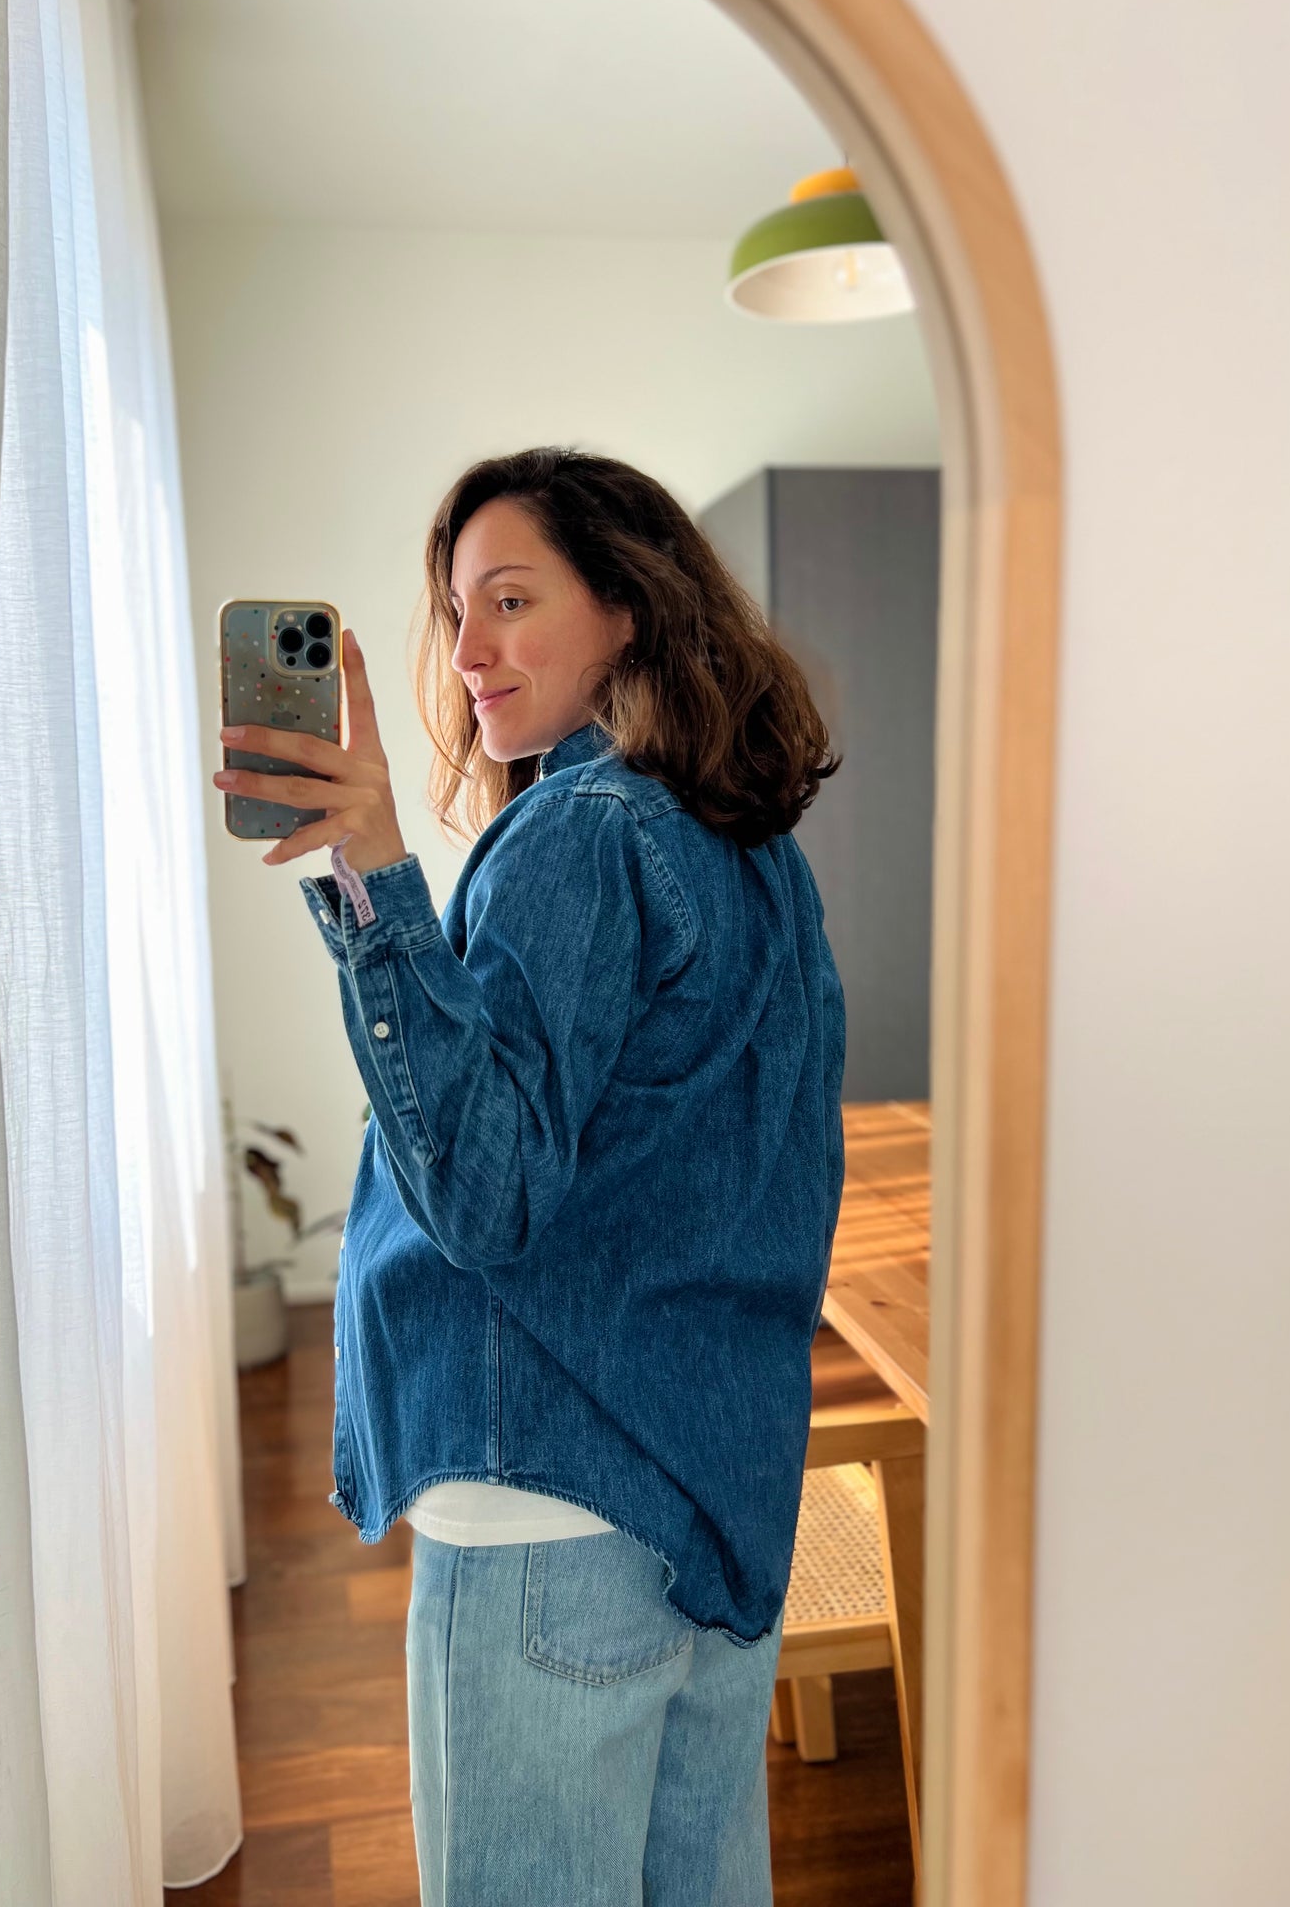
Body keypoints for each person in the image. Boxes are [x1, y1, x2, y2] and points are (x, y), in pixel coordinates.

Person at [213, 447, 846, 1905]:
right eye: (457, 612)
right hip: (713, 1497)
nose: (470, 651)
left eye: (511, 600)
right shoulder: (753, 848)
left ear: (628, 606)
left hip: (547, 1505)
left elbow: (483, 1195)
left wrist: (378, 887)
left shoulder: (579, 830)